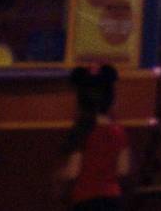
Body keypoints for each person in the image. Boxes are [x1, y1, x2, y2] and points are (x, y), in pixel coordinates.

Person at [59, 64, 131, 211]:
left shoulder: (81, 131)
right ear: (111, 99)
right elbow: (123, 169)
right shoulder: (119, 132)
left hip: (85, 201)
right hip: (112, 200)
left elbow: (73, 171)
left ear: (81, 101)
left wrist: (60, 175)